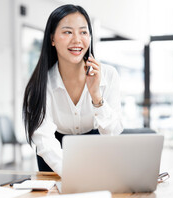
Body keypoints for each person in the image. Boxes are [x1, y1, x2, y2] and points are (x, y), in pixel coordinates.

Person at [22, 4, 123, 176]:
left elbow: (113, 134)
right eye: (68, 32)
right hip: (55, 161)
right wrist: (74, 175)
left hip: (99, 155)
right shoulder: (40, 84)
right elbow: (44, 140)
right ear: (52, 39)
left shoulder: (109, 75)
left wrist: (96, 96)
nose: (77, 40)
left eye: (83, 32)